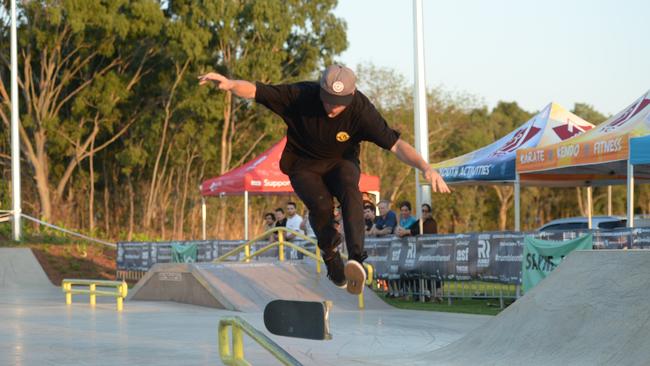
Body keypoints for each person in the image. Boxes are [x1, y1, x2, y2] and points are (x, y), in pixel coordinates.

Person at [198, 65, 450, 294]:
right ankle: (330, 256)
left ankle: (356, 260)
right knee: (320, 206)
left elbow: (395, 145)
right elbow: (256, 91)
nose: (332, 108)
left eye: (339, 103)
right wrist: (231, 84)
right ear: (320, 90)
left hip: (341, 163)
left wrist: (425, 167)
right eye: (328, 100)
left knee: (351, 191)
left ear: (351, 96)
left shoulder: (361, 110)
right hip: (302, 165)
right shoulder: (300, 95)